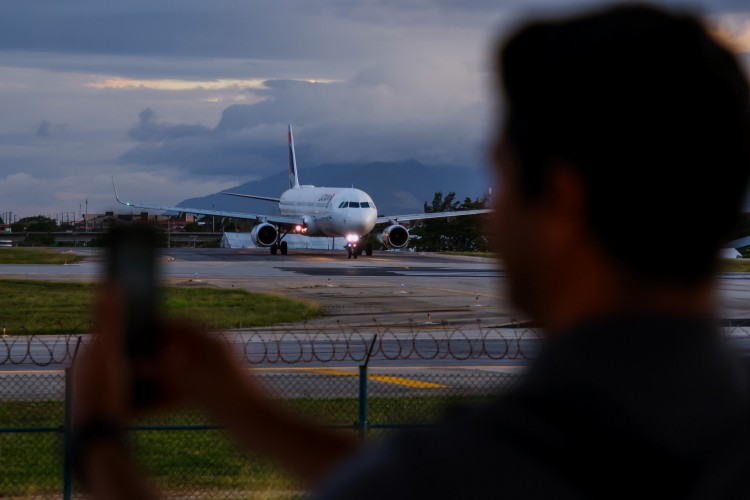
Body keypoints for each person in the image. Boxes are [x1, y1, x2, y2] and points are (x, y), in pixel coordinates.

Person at [74, 3, 750, 498]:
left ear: (561, 205)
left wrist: (100, 437)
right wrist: (247, 412)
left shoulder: (516, 455)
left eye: (503, 179)